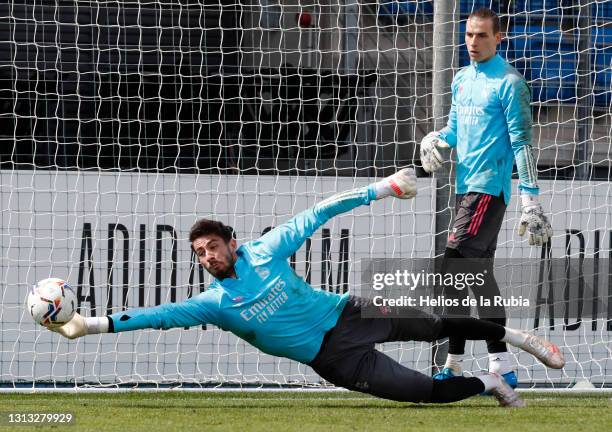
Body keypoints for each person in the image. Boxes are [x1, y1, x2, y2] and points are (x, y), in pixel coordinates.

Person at [50, 168, 563, 407]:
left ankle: (516, 342)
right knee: (424, 392)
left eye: (211, 246)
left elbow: (318, 212)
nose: (207, 257)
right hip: (336, 361)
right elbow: (153, 316)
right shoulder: (215, 305)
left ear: (232, 241)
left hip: (350, 312)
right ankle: (491, 384)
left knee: (435, 323)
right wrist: (84, 325)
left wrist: (382, 188)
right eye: (199, 254)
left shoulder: (267, 249)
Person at [419, 7, 553, 388]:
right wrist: (437, 138)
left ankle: (458, 363)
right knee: (478, 278)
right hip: (466, 190)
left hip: (488, 190)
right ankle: (501, 364)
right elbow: (458, 129)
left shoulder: (510, 83)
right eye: (468, 35)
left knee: (452, 271)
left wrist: (530, 199)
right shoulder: (462, 79)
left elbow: (523, 145)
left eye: (481, 36)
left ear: (499, 38)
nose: (473, 42)